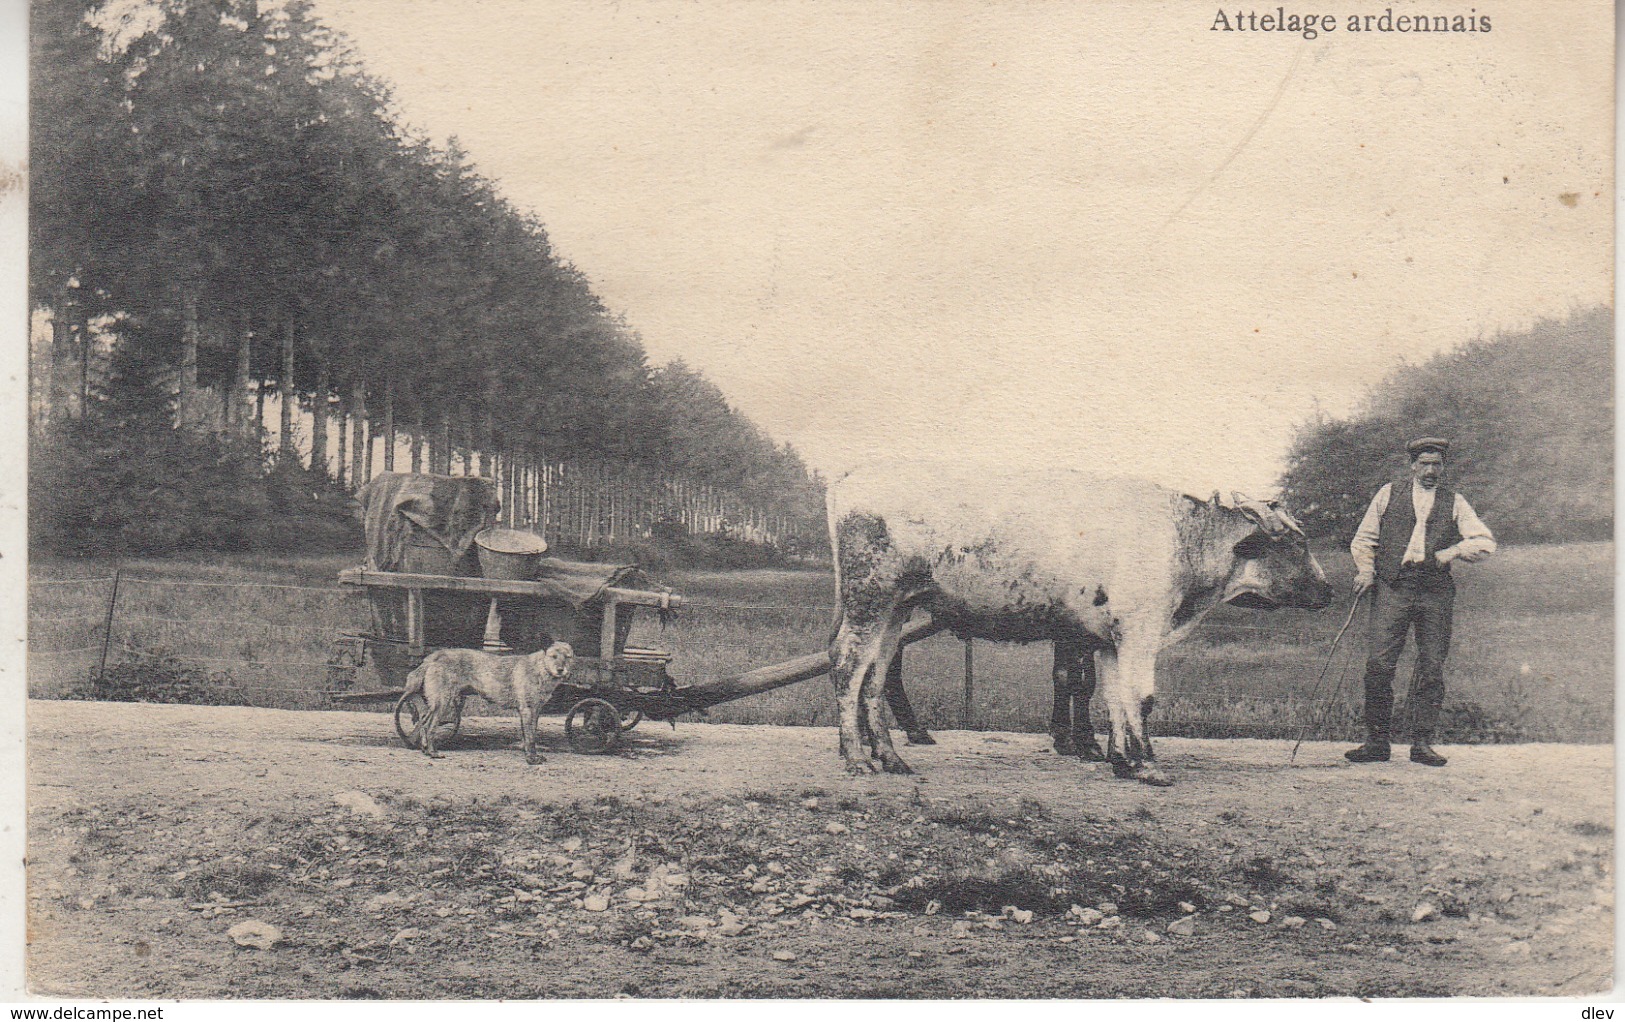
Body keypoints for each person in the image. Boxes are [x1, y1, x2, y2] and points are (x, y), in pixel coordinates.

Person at [1345, 437, 1496, 766]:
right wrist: (1366, 571)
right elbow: (1364, 539)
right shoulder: (1389, 493)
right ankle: (1377, 742)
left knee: (1431, 667)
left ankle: (1422, 744)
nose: (1430, 470)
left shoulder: (1454, 501)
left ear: (1443, 467)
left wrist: (1453, 551)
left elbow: (1485, 541)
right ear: (1412, 465)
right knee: (1379, 666)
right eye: (1424, 463)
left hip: (1435, 591)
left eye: (1436, 464)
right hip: (1392, 587)